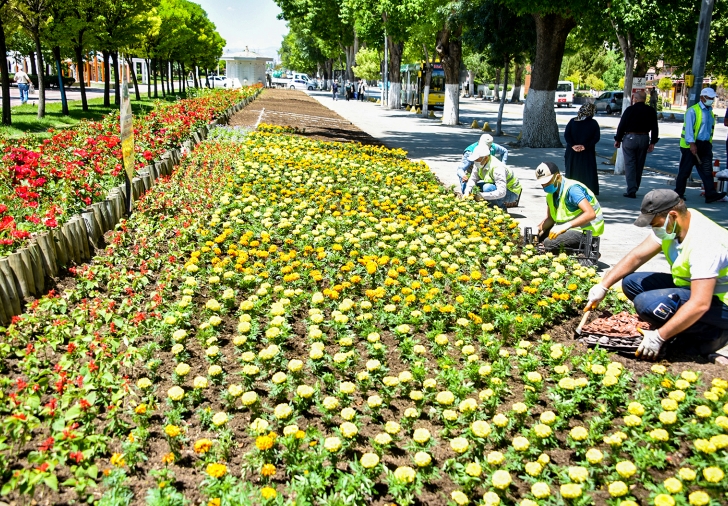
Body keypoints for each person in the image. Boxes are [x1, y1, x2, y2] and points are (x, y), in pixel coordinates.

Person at [585, 189, 728, 359]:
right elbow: (637, 256)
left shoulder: (705, 243)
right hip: (693, 288)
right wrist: (603, 285)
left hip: (721, 305)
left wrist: (659, 337)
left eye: (655, 224)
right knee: (631, 282)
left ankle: (712, 336)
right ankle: (680, 325)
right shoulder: (677, 223)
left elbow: (700, 303)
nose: (654, 228)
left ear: (673, 215)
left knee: (648, 304)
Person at [535, 161, 604, 252]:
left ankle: (587, 250)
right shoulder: (550, 195)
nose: (544, 186)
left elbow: (590, 214)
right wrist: (538, 228)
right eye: (542, 184)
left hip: (584, 231)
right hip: (569, 229)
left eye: (547, 183)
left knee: (549, 243)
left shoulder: (573, 190)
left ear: (558, 177)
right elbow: (550, 219)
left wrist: (565, 226)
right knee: (536, 238)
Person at [674, 87, 726, 203]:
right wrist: (692, 144)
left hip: (705, 145)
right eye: (709, 98)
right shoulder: (692, 111)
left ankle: (710, 194)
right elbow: (689, 130)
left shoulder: (710, 112)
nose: (711, 100)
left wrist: (708, 144)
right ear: (702, 97)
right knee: (685, 171)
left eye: (712, 98)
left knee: (707, 170)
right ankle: (678, 194)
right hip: (691, 146)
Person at [614, 90, 659, 198]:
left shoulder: (630, 110)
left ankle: (631, 189)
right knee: (639, 164)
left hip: (630, 138)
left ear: (636, 99)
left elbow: (622, 125)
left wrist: (618, 139)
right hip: (644, 138)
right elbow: (654, 127)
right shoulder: (650, 110)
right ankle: (635, 186)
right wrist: (653, 142)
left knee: (630, 164)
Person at [461, 141, 521, 209]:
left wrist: (482, 195)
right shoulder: (479, 163)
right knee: (473, 188)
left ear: (486, 158)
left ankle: (500, 208)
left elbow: (502, 192)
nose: (475, 162)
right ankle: (487, 206)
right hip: (497, 186)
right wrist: (467, 192)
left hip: (511, 192)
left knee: (487, 188)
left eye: (477, 159)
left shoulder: (497, 168)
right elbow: (473, 179)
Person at [564, 103, 600, 195]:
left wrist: (573, 146)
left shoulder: (572, 121)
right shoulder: (593, 123)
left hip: (572, 152)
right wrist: (584, 146)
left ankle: (571, 191)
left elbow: (567, 135)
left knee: (572, 170)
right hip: (587, 153)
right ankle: (587, 192)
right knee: (586, 172)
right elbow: (596, 137)